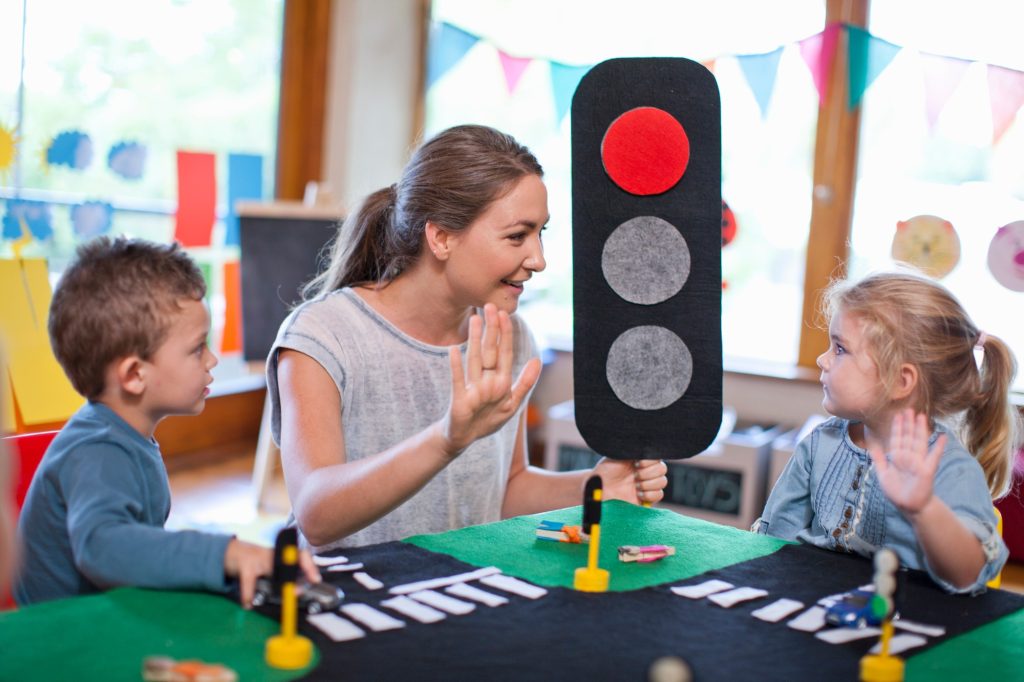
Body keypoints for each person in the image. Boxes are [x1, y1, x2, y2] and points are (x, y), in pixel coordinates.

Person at [270, 124, 668, 552]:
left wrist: (596, 485)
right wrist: (447, 439)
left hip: (461, 593)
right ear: (440, 237)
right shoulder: (322, 335)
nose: (538, 260)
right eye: (517, 236)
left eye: (541, 234)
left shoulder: (509, 335)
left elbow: (507, 489)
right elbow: (316, 515)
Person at [15, 237, 319, 607]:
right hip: (64, 642)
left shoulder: (123, 434)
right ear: (134, 375)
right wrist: (226, 555)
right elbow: (104, 548)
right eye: (196, 348)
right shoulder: (97, 452)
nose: (211, 360)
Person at [755, 270, 1019, 593]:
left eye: (840, 349)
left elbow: (968, 575)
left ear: (900, 381)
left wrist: (924, 510)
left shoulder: (951, 468)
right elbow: (772, 546)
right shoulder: (817, 445)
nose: (822, 359)